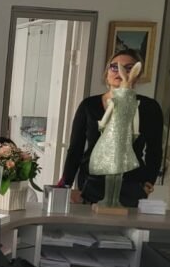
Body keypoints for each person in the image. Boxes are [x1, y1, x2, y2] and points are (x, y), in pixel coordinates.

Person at [60, 49, 163, 208]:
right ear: (107, 72)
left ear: (137, 74)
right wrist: (66, 186)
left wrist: (148, 183)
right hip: (91, 182)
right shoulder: (89, 105)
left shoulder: (149, 107)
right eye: (114, 67)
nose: (119, 72)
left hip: (131, 183)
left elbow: (154, 150)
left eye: (129, 68)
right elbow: (75, 149)